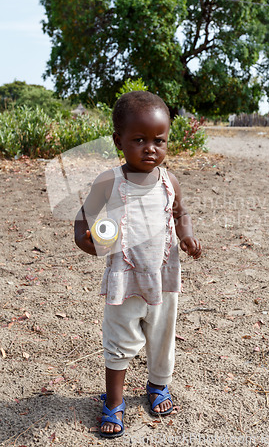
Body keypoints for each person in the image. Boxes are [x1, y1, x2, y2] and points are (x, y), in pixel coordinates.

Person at [74, 91, 202, 438]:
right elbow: (83, 218)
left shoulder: (168, 180)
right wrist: (85, 239)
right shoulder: (109, 181)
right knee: (118, 340)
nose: (150, 149)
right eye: (139, 140)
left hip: (163, 275)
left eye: (159, 141)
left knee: (162, 337)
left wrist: (186, 234)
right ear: (118, 140)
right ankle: (114, 401)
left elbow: (180, 212)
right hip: (124, 277)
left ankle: (158, 385)